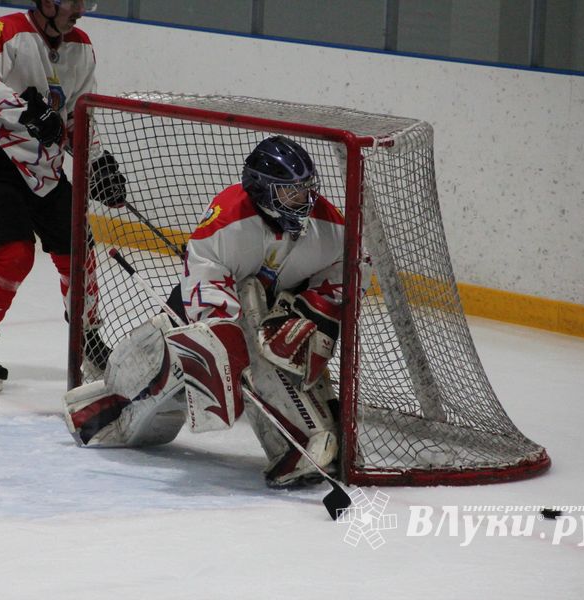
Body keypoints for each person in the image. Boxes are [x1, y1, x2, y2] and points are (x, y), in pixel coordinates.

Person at [64, 136, 371, 488]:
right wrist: (227, 343)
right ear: (262, 189)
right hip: (206, 310)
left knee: (290, 351)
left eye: (305, 188)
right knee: (178, 360)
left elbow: (353, 267)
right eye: (290, 191)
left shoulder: (327, 224)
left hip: (279, 305)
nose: (303, 198)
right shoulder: (229, 219)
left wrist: (312, 313)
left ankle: (307, 438)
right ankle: (106, 407)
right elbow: (206, 284)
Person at [0, 0, 126, 393]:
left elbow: (77, 116)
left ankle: (87, 340)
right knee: (14, 254)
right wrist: (24, 110)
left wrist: (97, 163)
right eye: (73, 1)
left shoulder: (81, 47)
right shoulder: (6, 33)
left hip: (43, 171)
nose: (79, 10)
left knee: (78, 250)